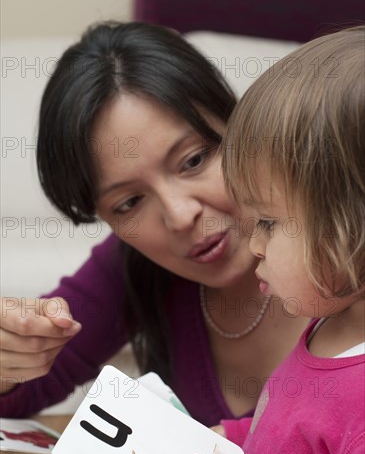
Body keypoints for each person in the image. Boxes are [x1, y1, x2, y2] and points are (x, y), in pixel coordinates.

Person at [0, 22, 307, 423]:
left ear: (238, 125)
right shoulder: (134, 263)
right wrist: (11, 357)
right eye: (129, 202)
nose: (181, 215)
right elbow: (25, 390)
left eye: (194, 160)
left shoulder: (341, 241)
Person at [182, 25, 365, 454]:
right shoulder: (330, 323)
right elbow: (299, 439)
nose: (253, 245)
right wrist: (235, 441)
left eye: (267, 222)